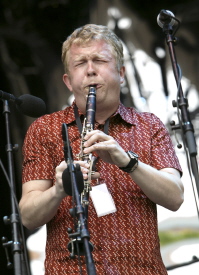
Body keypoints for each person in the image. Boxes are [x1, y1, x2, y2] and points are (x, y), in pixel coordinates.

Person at [19, 24, 184, 274]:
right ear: (68, 80)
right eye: (80, 63)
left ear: (121, 73)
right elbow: (28, 216)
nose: (90, 71)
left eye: (99, 60)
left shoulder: (149, 125)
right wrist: (59, 190)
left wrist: (129, 162)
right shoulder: (44, 129)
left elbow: (175, 197)